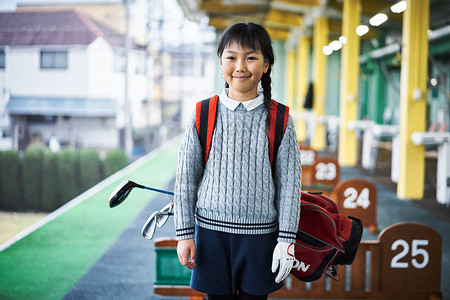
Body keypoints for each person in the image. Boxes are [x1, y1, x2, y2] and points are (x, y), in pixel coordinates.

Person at [173, 22, 302, 300]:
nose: (240, 66)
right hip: (210, 235)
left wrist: (286, 240)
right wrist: (184, 234)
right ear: (221, 62)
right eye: (231, 57)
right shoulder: (202, 114)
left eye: (251, 57)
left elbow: (290, 187)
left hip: (261, 239)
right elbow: (185, 180)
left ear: (266, 64)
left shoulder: (280, 119)